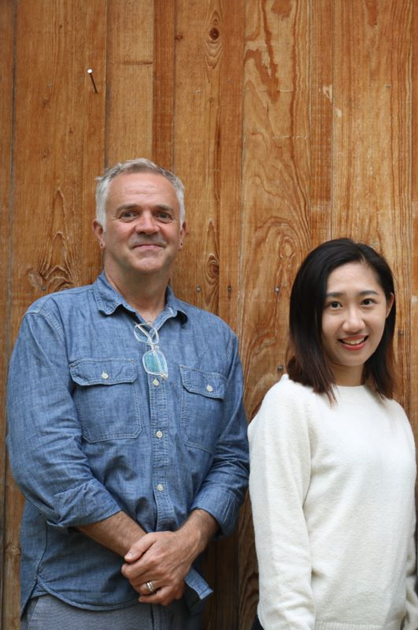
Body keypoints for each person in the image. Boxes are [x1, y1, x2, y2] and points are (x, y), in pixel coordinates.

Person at [6, 158, 250, 629]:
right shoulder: (53, 322)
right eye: (128, 214)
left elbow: (232, 461)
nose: (147, 226)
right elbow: (46, 465)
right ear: (100, 231)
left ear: (182, 232)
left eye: (162, 214)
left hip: (178, 606)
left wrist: (185, 546)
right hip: (76, 601)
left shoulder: (216, 339)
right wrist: (155, 559)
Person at [249, 238, 418, 630]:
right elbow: (281, 545)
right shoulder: (289, 404)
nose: (353, 322)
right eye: (334, 305)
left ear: (389, 305)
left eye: (367, 302)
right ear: (311, 315)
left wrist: (411, 618)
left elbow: (402, 545)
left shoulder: (393, 415)